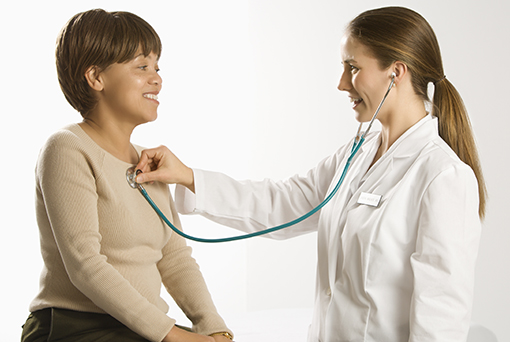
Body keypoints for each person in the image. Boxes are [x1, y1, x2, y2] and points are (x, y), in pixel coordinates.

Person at [134, 6, 487, 342]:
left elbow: (441, 320)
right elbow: (283, 203)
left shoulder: (442, 177)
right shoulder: (358, 153)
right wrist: (188, 176)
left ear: (396, 72)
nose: (341, 83)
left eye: (352, 67)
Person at [21, 9, 233, 342]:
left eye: (157, 67)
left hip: (136, 328)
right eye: (142, 67)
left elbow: (175, 259)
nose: (157, 79)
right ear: (96, 77)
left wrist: (213, 329)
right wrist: (176, 337)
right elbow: (85, 266)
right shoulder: (67, 148)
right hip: (75, 327)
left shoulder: (149, 163)